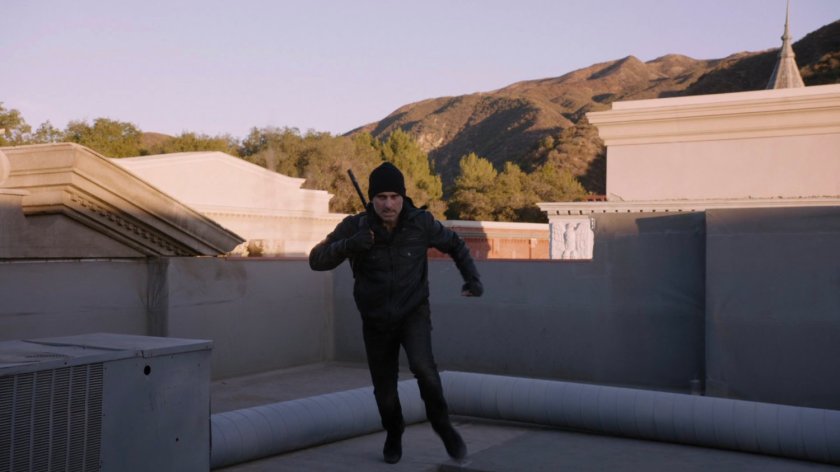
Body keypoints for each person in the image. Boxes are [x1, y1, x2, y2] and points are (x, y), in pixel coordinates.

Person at [309, 162, 483, 464]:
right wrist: (351, 246)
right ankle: (394, 431)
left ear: (403, 197)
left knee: (424, 370)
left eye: (393, 196)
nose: (388, 204)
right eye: (381, 197)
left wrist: (472, 279)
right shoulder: (355, 227)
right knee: (384, 388)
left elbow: (455, 244)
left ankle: (443, 426)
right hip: (375, 320)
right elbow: (316, 260)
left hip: (413, 312)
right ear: (372, 200)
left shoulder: (421, 223)